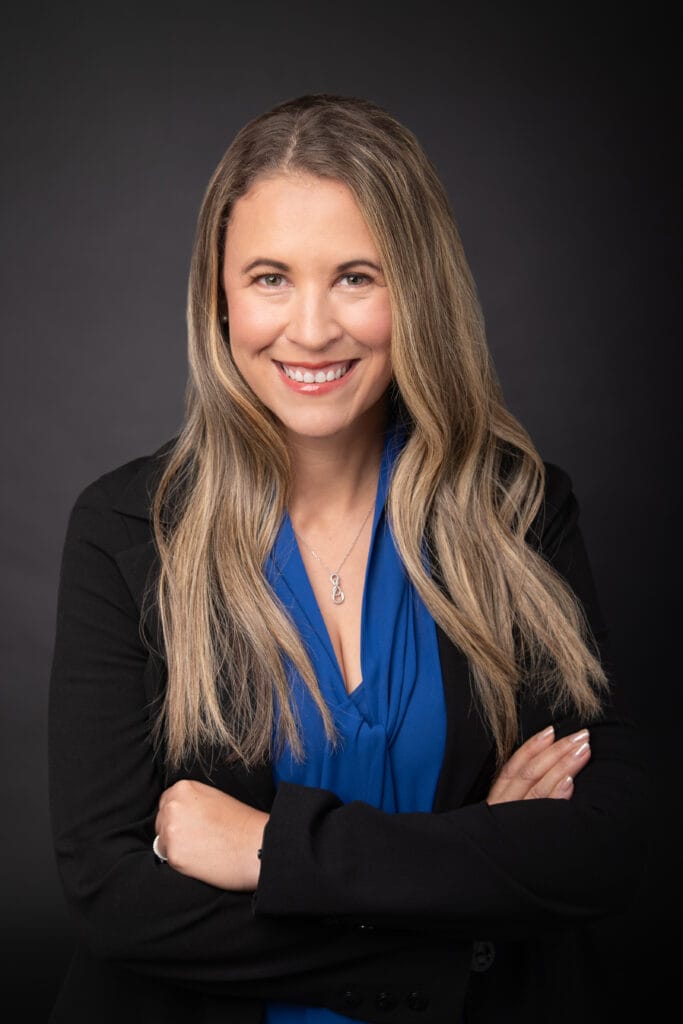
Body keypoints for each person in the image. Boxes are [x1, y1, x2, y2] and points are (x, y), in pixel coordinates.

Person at [47, 93, 647, 1024]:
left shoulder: (516, 510)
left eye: (356, 277)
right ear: (219, 295)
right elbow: (114, 901)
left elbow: (601, 848)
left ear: (418, 290)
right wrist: (464, 907)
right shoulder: (126, 528)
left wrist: (271, 852)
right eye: (270, 278)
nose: (312, 328)